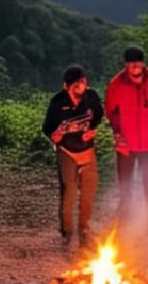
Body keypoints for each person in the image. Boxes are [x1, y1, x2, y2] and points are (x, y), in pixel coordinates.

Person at [104, 45, 148, 229]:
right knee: (126, 186)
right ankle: (124, 220)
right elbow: (110, 111)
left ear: (143, 65)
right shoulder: (117, 84)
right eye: (131, 66)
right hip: (126, 144)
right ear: (126, 66)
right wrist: (118, 134)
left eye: (138, 65)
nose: (134, 69)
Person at [42, 64, 104, 250]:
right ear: (66, 87)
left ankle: (84, 229)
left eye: (83, 83)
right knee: (69, 190)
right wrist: (55, 136)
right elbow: (47, 128)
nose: (80, 88)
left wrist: (92, 130)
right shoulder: (58, 103)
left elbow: (98, 116)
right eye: (75, 85)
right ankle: (67, 233)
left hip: (86, 149)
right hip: (67, 150)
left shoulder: (91, 97)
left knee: (88, 190)